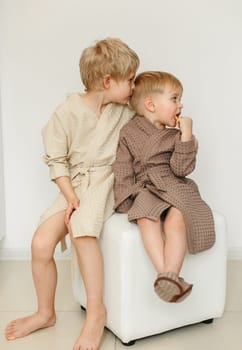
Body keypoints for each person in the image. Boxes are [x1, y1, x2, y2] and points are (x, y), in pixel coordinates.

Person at [5, 37, 139, 350]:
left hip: (107, 179)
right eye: (130, 80)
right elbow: (56, 159)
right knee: (40, 242)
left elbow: (151, 108)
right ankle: (44, 312)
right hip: (75, 183)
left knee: (81, 230)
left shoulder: (125, 109)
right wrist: (71, 198)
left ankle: (96, 313)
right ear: (107, 81)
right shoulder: (67, 111)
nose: (133, 86)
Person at [113, 71, 215, 303]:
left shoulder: (178, 135)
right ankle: (168, 277)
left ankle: (167, 277)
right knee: (146, 218)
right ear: (150, 104)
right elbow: (122, 167)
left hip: (173, 184)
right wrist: (125, 197)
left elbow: (181, 169)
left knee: (177, 219)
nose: (181, 105)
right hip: (146, 188)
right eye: (175, 99)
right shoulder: (128, 133)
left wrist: (187, 136)